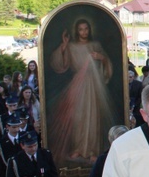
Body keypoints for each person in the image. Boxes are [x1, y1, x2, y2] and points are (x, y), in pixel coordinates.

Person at [48, 18, 118, 162]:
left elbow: (107, 65)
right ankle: (78, 148)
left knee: (93, 117)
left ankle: (93, 150)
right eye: (81, 29)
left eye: (86, 29)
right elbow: (61, 64)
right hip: (78, 85)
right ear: (77, 31)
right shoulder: (72, 46)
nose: (84, 32)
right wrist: (64, 45)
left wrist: (101, 58)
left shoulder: (95, 45)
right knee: (78, 117)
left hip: (94, 86)